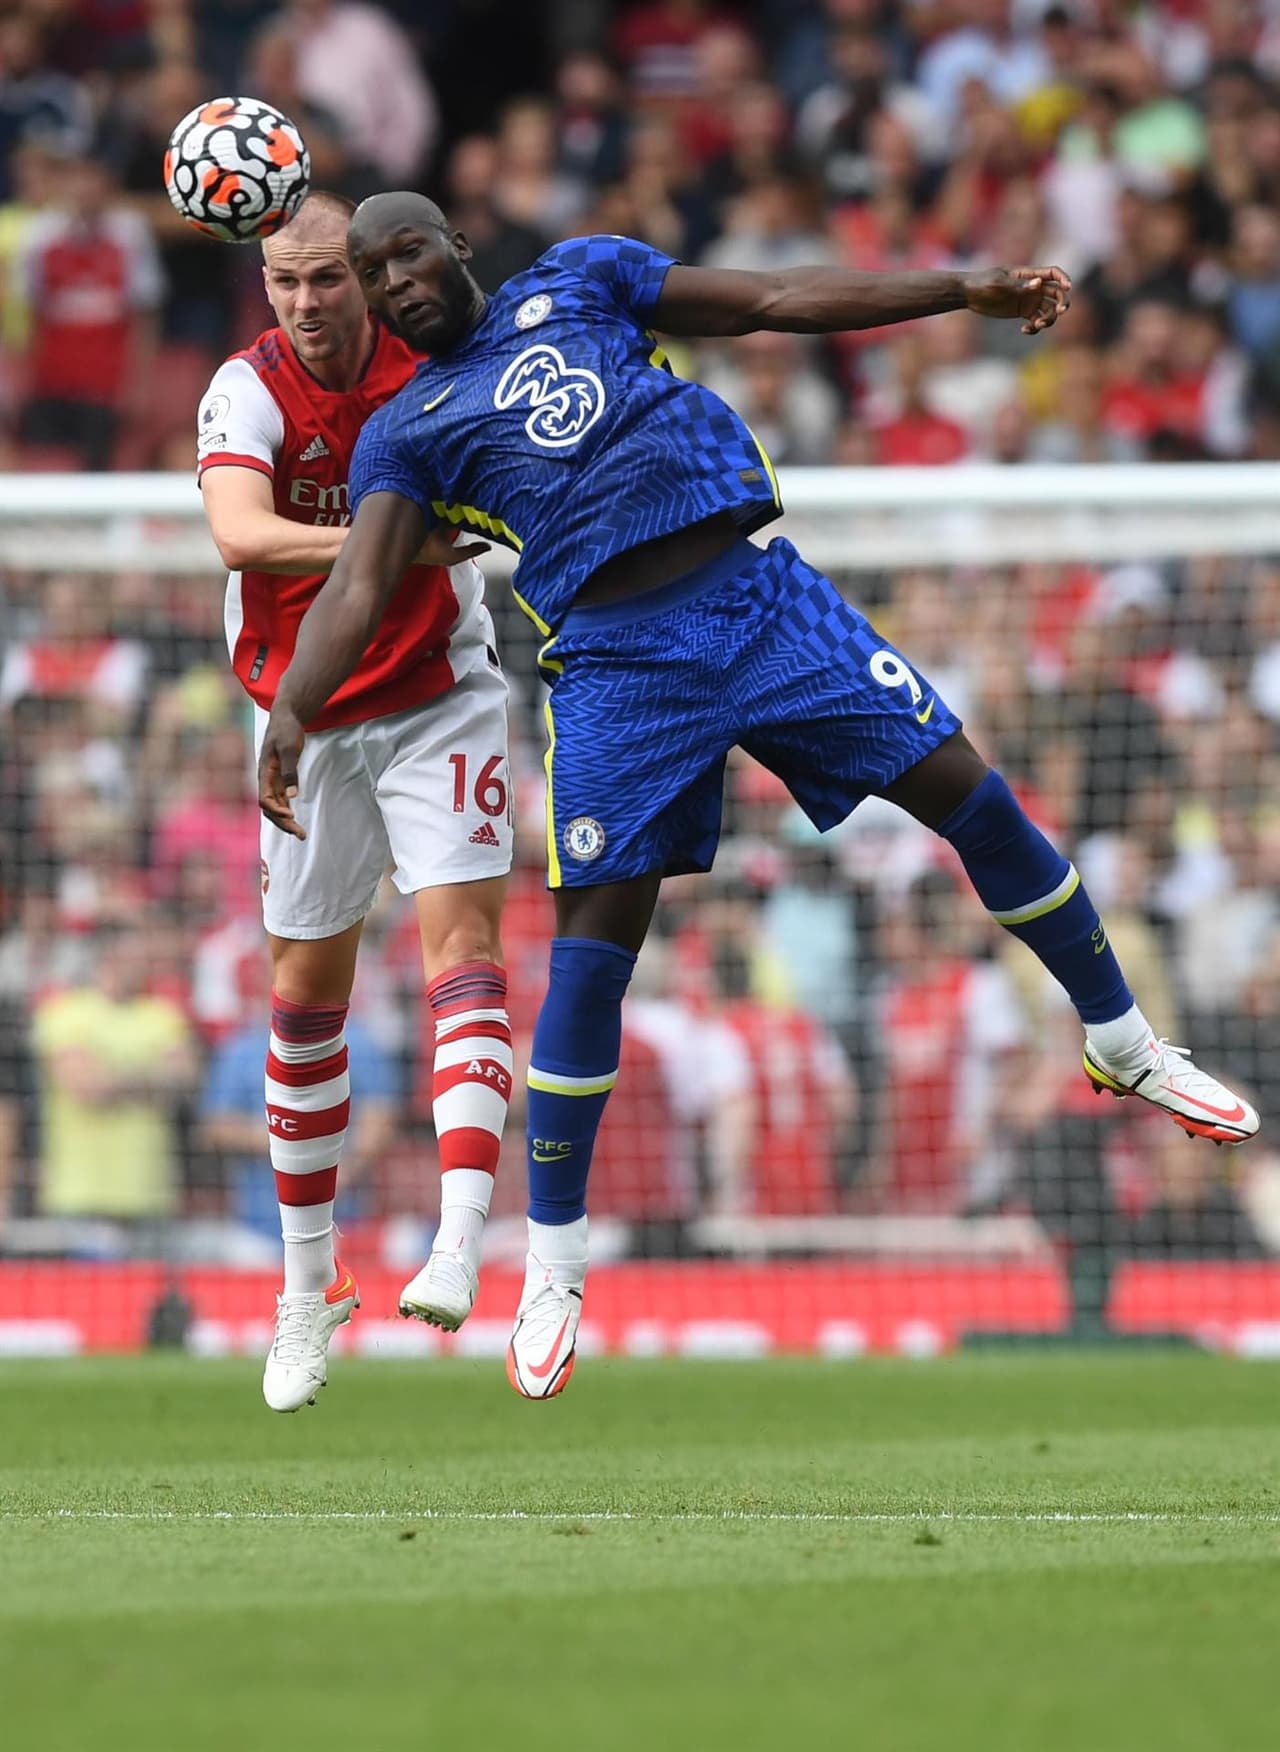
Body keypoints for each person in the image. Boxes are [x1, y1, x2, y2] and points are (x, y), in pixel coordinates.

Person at [257, 192, 1259, 1400]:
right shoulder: (407, 430)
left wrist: (959, 289)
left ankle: (1122, 1042)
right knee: (590, 960)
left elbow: (776, 301)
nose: (389, 280)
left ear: (455, 246)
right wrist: (290, 714)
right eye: (366, 272)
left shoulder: (582, 279)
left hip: (758, 602)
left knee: (970, 797)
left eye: (403, 251)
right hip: (618, 670)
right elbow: (359, 587)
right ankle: (556, 1264)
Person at [197, 191, 515, 1413]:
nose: (307, 301)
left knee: (465, 947)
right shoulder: (248, 388)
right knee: (301, 996)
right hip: (306, 713)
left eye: (327, 277)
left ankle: (456, 1233)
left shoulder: (430, 365)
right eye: (284, 281)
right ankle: (305, 1288)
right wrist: (396, 541)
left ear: (367, 278)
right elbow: (237, 534)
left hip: (440, 690)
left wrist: (428, 541)